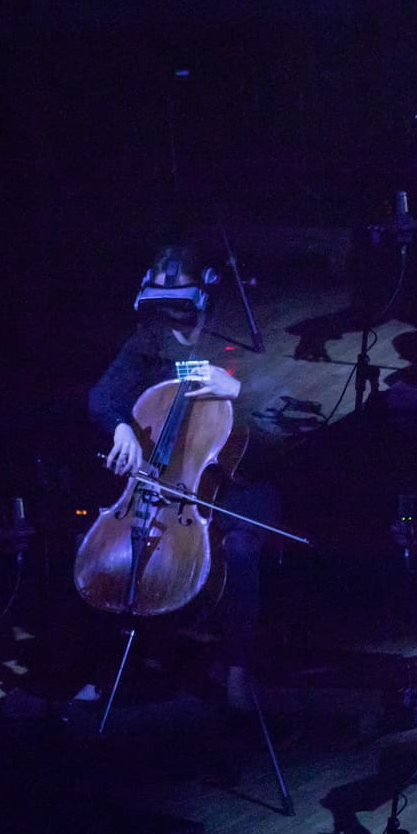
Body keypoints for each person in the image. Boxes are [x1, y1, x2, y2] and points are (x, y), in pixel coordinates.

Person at [84, 242, 278, 710]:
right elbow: (102, 397)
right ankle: (118, 662)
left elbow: (280, 412)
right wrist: (121, 428)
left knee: (240, 548)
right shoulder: (148, 338)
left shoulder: (244, 333)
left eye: (180, 307)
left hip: (239, 475)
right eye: (162, 307)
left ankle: (237, 667)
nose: (171, 319)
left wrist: (239, 389)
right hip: (170, 476)